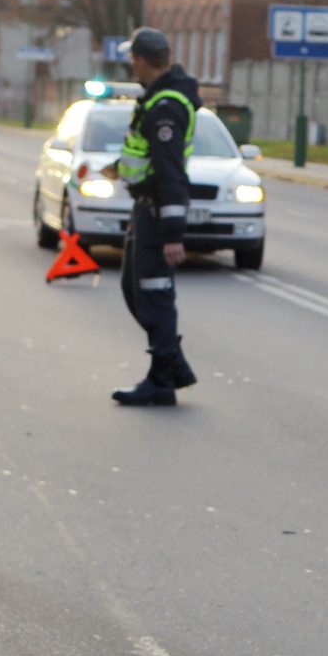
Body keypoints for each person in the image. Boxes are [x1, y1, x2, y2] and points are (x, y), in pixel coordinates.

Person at [103, 27, 202, 407]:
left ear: (142, 61)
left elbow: (171, 170)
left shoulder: (166, 107)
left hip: (159, 214)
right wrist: (120, 167)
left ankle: (162, 379)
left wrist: (174, 231)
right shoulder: (158, 99)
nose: (131, 64)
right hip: (146, 209)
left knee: (154, 295)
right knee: (135, 289)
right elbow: (149, 158)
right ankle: (171, 366)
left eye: (133, 58)